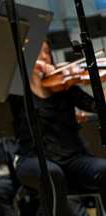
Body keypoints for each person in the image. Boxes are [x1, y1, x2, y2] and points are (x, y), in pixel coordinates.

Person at [11, 40, 106, 216]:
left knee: (104, 169)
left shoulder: (63, 84)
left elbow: (96, 106)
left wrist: (99, 88)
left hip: (71, 158)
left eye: (47, 52)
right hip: (33, 159)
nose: (44, 57)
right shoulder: (18, 91)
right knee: (52, 173)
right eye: (37, 52)